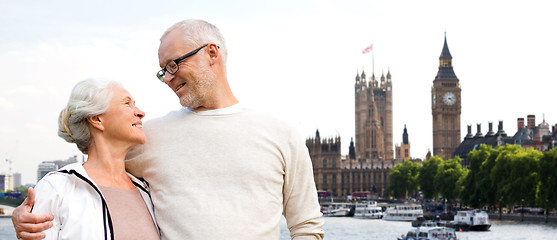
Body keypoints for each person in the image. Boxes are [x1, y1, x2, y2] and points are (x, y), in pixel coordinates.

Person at [13, 19, 324, 239]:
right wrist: (27, 215)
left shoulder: (281, 135)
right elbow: (95, 174)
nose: (168, 78)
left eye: (174, 65)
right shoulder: (148, 137)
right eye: (163, 71)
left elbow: (307, 227)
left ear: (211, 54)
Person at [15, 79, 160, 240]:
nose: (140, 112)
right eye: (127, 103)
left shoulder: (147, 191)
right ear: (97, 119)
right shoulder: (57, 189)